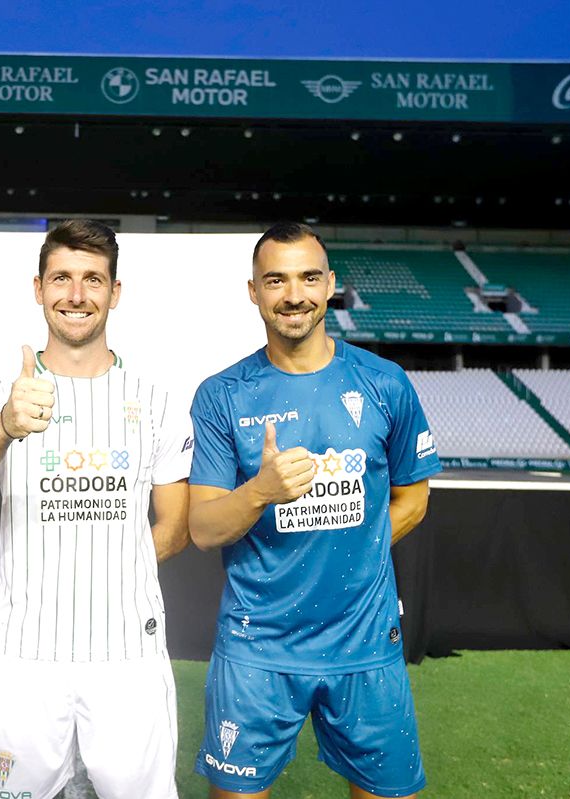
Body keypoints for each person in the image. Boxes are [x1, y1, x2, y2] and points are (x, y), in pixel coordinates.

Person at [0, 219, 192, 799]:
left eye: (92, 280)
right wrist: (4, 427)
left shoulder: (156, 398)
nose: (76, 295)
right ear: (38, 289)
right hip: (25, 652)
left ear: (115, 292)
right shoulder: (3, 392)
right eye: (62, 279)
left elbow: (174, 528)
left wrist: (103, 573)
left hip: (128, 653)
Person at [187, 222, 441, 799]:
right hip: (257, 647)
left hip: (365, 643)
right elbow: (202, 529)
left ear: (331, 285)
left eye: (307, 277)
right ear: (253, 292)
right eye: (275, 279)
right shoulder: (222, 394)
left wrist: (355, 557)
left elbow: (414, 499)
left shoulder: (385, 383)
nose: (293, 294)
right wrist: (260, 491)